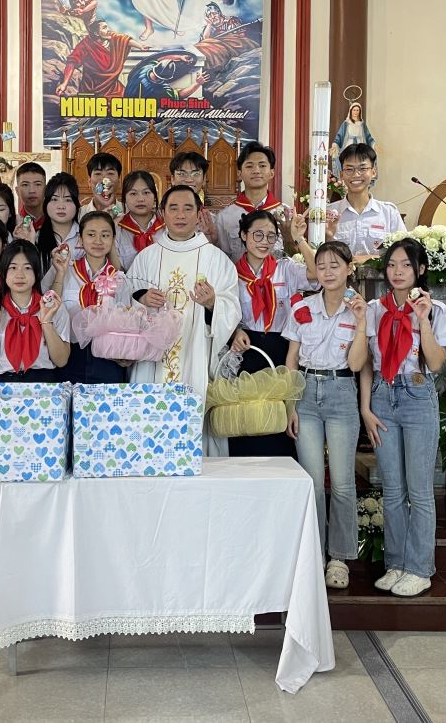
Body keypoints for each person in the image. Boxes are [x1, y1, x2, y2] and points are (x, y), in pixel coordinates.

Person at [361, 237, 446, 599]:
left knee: (419, 490)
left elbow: (437, 363)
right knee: (392, 489)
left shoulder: (436, 310)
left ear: (421, 269)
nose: (397, 272)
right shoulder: (375, 309)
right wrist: (366, 408)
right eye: (391, 265)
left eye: (405, 265)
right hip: (383, 395)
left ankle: (419, 568)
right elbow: (366, 362)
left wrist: (422, 320)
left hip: (418, 393)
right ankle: (397, 564)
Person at [127, 184, 240, 455]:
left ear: (199, 214)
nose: (180, 215)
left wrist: (212, 304)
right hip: (152, 362)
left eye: (188, 208)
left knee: (193, 426)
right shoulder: (147, 257)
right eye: (173, 208)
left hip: (196, 353)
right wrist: (142, 298)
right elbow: (124, 299)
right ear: (162, 213)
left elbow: (232, 308)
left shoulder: (216, 258)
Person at [283, 240, 368, 590]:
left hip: (341, 391)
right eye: (321, 266)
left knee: (344, 482)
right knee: (313, 481)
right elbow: (291, 358)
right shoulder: (302, 307)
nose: (328, 272)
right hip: (305, 392)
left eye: (335, 265)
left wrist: (361, 323)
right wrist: (289, 404)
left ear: (349, 268)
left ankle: (339, 558)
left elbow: (357, 364)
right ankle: (314, 553)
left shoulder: (360, 309)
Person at [227, 210, 317, 458]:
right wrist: (234, 331)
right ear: (243, 235)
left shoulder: (285, 268)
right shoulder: (230, 273)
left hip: (281, 350)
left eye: (270, 236)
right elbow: (223, 310)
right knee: (247, 418)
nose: (264, 242)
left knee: (278, 419)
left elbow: (316, 273)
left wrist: (299, 239)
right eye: (257, 234)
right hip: (246, 349)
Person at [0, 240, 71, 383]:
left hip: (44, 384)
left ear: (36, 272)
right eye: (13, 267)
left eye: (27, 268)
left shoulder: (54, 308)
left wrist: (46, 323)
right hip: (4, 385)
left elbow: (61, 360)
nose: (19, 275)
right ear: (4, 273)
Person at [58, 210, 130, 384]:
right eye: (91, 234)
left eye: (105, 235)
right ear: (80, 239)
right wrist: (59, 274)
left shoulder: (120, 279)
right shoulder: (63, 271)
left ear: (113, 239)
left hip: (108, 360)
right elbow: (48, 305)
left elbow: (127, 321)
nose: (98, 241)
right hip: (69, 356)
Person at [213, 142, 289, 263]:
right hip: (237, 275)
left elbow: (294, 256)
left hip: (277, 275)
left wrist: (290, 239)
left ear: (272, 173)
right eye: (249, 166)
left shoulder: (286, 214)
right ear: (239, 174)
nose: (256, 170)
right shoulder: (225, 217)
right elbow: (221, 259)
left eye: (262, 165)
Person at [329, 143, 404, 263]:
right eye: (349, 169)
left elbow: (404, 254)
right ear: (341, 174)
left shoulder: (389, 212)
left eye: (363, 168)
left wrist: (369, 259)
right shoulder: (329, 213)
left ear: (374, 172)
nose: (356, 174)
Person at [54, 21, 146, 99]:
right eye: (104, 28)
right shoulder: (86, 44)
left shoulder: (112, 38)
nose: (108, 30)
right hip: (92, 89)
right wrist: (64, 84)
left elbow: (125, 40)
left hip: (112, 87)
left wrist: (140, 46)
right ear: (96, 33)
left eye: (107, 27)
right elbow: (72, 62)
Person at [36, 173, 83, 290]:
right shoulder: (36, 238)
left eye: (68, 200)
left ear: (77, 204)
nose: (61, 206)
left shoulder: (86, 236)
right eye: (54, 199)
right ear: (46, 204)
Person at [115, 171, 162, 270]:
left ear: (154, 196)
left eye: (146, 193)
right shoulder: (117, 229)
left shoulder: (167, 226)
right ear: (124, 198)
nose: (140, 199)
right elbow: (116, 271)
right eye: (133, 193)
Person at [170, 150, 218, 239]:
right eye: (182, 174)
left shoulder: (212, 220)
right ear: (172, 179)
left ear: (204, 179)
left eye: (196, 174)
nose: (189, 179)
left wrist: (212, 240)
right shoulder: (160, 219)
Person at [329, 101, 375, 177]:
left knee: (361, 163)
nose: (356, 112)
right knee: (349, 163)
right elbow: (339, 136)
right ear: (351, 111)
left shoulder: (362, 124)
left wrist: (374, 144)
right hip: (348, 146)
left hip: (361, 147)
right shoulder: (346, 124)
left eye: (357, 110)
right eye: (354, 110)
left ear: (360, 112)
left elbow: (368, 137)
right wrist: (335, 145)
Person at [81, 151, 123, 219]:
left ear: (119, 181)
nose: (104, 180)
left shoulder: (128, 212)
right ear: (89, 182)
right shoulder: (79, 214)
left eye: (110, 173)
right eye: (98, 174)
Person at [14, 161, 47, 240]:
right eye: (25, 185)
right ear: (17, 191)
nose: (32, 190)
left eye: (37, 184)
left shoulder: (55, 221)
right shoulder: (13, 223)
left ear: (46, 189)